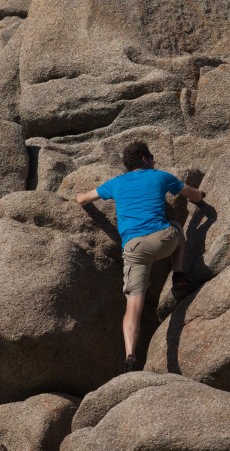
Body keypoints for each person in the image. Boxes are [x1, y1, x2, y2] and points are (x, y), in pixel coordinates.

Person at [76, 141, 205, 373]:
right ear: (145, 160)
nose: (154, 160)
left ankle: (130, 356)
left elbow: (84, 199)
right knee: (177, 226)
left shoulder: (116, 183)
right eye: (152, 157)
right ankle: (178, 276)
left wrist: (77, 195)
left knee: (133, 305)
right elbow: (191, 194)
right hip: (162, 241)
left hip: (134, 249)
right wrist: (202, 194)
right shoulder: (159, 176)